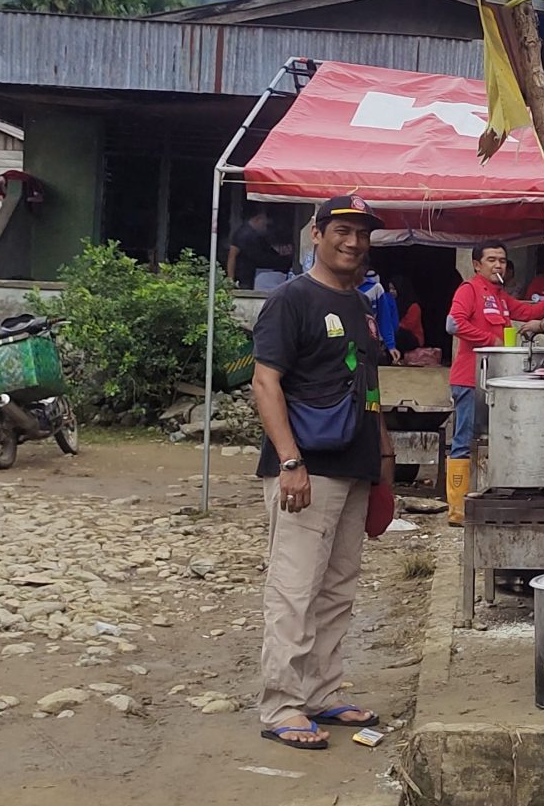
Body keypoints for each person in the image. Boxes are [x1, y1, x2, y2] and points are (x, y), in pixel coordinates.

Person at [250, 194, 390, 751]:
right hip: (305, 469)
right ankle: (281, 704)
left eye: (362, 233)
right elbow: (266, 383)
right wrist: (290, 462)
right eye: (343, 231)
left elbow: (371, 391)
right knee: (295, 589)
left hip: (354, 467)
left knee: (336, 589)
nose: (354, 242)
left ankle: (322, 691)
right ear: (317, 233)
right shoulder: (291, 300)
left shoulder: (361, 303)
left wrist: (384, 467)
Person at [441, 240, 544, 518]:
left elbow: (532, 313)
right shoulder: (469, 289)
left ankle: (485, 501)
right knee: (464, 440)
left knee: (494, 440)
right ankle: (457, 510)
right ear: (477, 265)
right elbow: (453, 323)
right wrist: (492, 341)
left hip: (495, 379)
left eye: (501, 260)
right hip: (468, 378)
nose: (498, 265)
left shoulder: (500, 296)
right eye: (491, 260)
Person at [227, 206, 295, 292]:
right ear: (257, 219)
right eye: (264, 222)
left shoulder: (258, 236)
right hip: (245, 278)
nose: (266, 225)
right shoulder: (242, 235)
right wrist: (230, 282)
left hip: (256, 277)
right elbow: (231, 256)